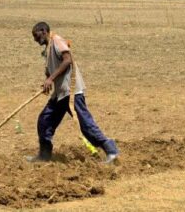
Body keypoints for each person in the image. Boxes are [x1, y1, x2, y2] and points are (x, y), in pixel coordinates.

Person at [27, 21, 119, 164]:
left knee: (85, 124)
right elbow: (53, 68)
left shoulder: (57, 41)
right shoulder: (48, 48)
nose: (35, 39)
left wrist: (51, 79)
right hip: (59, 94)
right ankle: (44, 155)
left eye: (36, 35)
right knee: (44, 120)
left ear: (44, 31)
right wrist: (48, 81)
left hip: (71, 92)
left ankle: (111, 150)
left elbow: (67, 60)